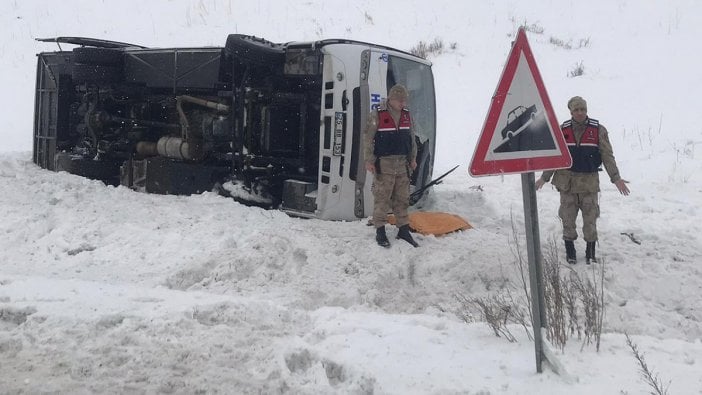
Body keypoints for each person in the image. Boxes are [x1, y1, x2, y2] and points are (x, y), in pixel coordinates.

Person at [536, 96, 630, 264]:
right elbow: (555, 158)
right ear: (571, 112)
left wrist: (616, 178)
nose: (580, 113)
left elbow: (607, 156)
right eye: (576, 110)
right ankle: (570, 251)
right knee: (567, 219)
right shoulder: (562, 130)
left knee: (590, 221)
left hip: (589, 185)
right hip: (567, 185)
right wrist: (544, 178)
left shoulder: (598, 130)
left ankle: (590, 253)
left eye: (583, 110)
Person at [364, 84, 419, 248]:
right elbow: (367, 139)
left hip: (402, 163)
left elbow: (411, 138)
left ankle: (403, 229)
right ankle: (380, 230)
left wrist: (413, 158)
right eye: (400, 101)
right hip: (384, 163)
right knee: (382, 198)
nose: (403, 104)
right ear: (391, 99)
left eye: (405, 101)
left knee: (402, 198)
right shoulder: (377, 114)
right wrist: (369, 160)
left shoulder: (407, 115)